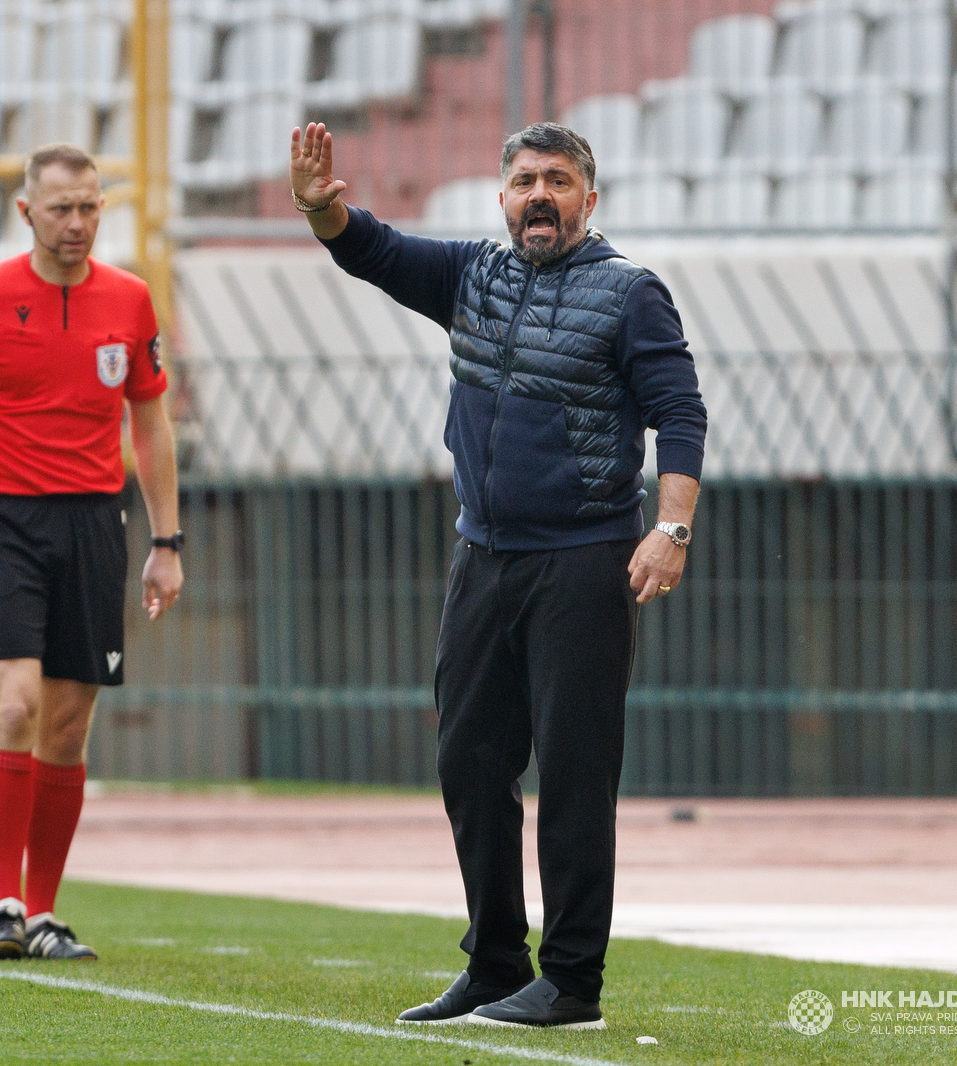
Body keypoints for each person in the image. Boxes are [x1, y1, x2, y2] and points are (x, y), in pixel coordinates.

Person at [293, 121, 707, 1028]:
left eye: (558, 180)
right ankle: (491, 964)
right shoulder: (474, 276)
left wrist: (670, 527)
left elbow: (680, 415)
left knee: (572, 770)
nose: (540, 196)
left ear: (589, 200)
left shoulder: (631, 293)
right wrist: (324, 207)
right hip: (482, 557)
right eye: (524, 181)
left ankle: (572, 983)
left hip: (585, 561)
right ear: (503, 197)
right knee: (470, 761)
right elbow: (375, 252)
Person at [0, 142, 183, 962]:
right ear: (26, 212)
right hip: (1, 520)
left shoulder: (129, 301)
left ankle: (48, 912)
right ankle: (3, 901)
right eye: (62, 208)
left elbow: (152, 424)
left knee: (67, 724)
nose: (78, 223)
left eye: (91, 206)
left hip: (95, 522)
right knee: (14, 703)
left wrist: (165, 541)